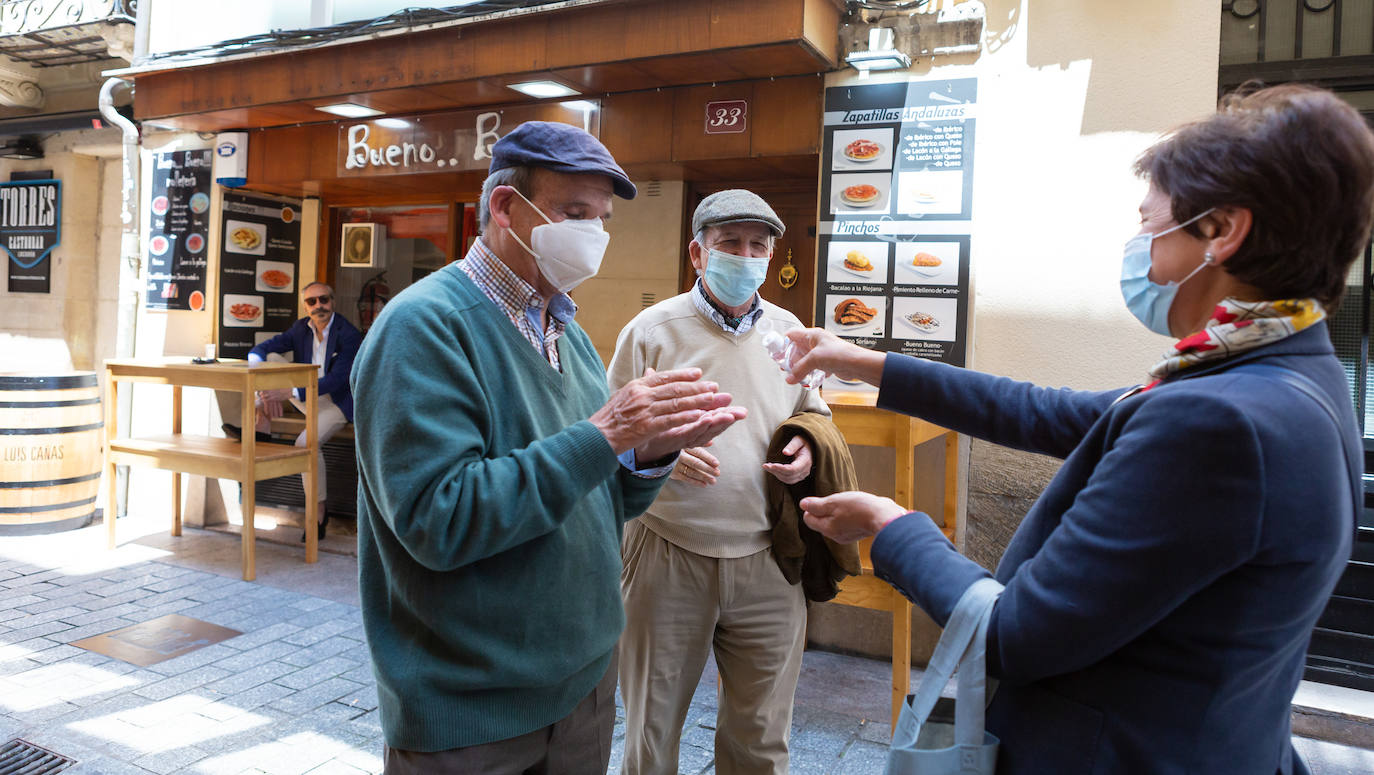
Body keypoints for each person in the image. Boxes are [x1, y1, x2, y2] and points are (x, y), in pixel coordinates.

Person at [786, 83, 1370, 773]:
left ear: (1223, 231)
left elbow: (1015, 634)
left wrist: (891, 527)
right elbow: (1044, 411)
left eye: (1150, 224)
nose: (1139, 247)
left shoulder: (1218, 419)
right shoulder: (1289, 371)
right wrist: (864, 361)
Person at [350, 121, 746, 775]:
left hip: (583, 689)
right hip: (472, 713)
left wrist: (650, 454)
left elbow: (602, 498)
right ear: (506, 209)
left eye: (602, 217)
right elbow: (438, 519)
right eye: (573, 212)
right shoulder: (423, 328)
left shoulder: (568, 333)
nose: (593, 234)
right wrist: (604, 434)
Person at [607, 190, 830, 775]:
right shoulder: (652, 330)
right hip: (667, 548)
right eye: (729, 243)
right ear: (697, 254)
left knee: (761, 737)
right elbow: (606, 430)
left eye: (758, 245)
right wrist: (663, 455)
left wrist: (807, 443)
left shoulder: (788, 332)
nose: (745, 255)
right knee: (650, 735)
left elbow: (815, 411)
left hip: (767, 556)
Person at [247, 280, 361, 541]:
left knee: (305, 443)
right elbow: (261, 350)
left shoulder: (349, 334)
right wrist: (265, 392)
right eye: (312, 301)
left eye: (324, 299)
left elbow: (338, 380)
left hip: (336, 404)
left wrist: (288, 393)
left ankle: (318, 512)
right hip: (305, 398)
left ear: (333, 301)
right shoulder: (301, 328)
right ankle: (261, 415)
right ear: (305, 306)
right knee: (271, 361)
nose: (319, 306)